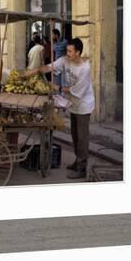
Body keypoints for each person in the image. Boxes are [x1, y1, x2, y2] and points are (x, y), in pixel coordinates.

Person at [25, 38, 95, 179]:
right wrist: (37, 70)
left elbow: (76, 90)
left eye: (70, 51)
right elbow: (50, 67)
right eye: (67, 50)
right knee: (75, 136)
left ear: (78, 52)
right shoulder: (65, 60)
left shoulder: (84, 68)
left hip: (84, 104)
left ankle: (82, 168)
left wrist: (58, 88)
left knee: (82, 137)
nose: (67, 53)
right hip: (73, 104)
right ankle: (77, 161)